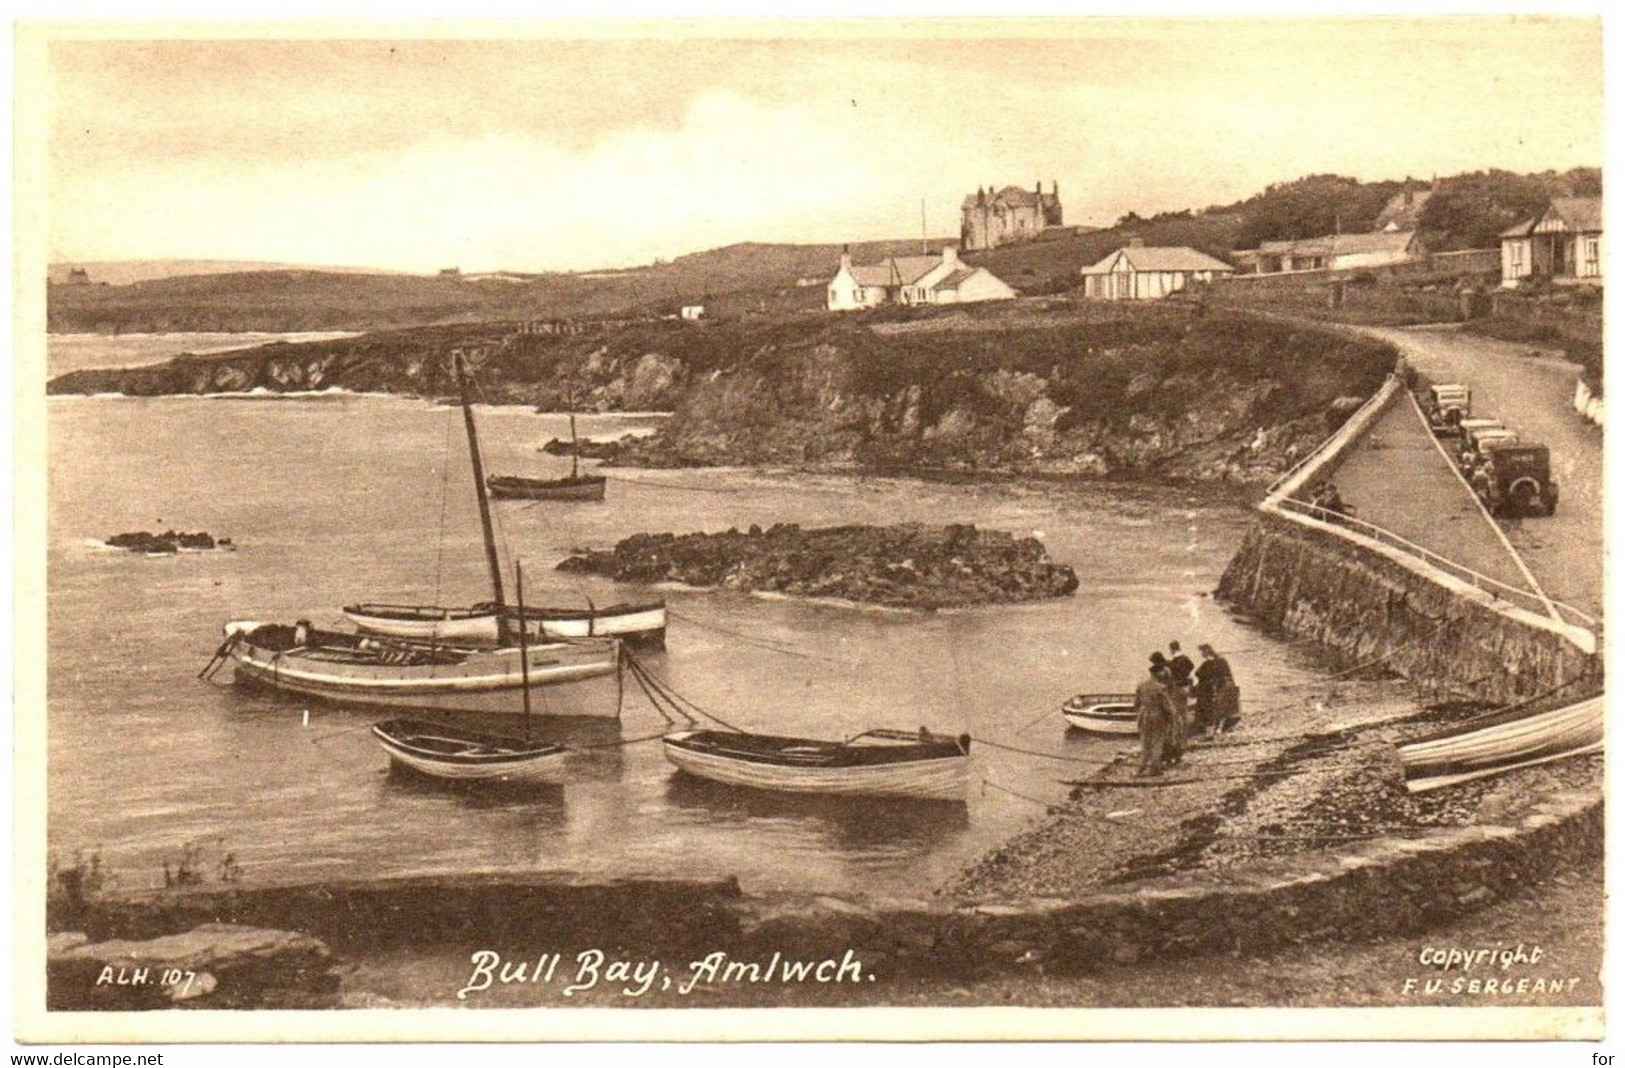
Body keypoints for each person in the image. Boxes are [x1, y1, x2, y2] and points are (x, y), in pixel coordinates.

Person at [1134, 658, 1175, 777]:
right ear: (1158, 673)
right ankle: (1155, 769)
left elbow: (1136, 703)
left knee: (1145, 742)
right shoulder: (1160, 687)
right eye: (1162, 671)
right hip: (1157, 715)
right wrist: (1172, 716)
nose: (1164, 673)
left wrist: (1141, 711)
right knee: (1157, 742)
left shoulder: (1141, 685)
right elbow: (1167, 705)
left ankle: (1141, 768)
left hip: (1144, 715)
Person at [1195, 643, 1241, 734]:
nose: (1201, 654)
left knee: (1220, 705)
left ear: (1207, 651)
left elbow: (1204, 674)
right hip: (1223, 684)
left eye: (1202, 652)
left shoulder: (1214, 662)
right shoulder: (1220, 660)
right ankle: (1219, 725)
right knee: (1220, 705)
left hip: (1222, 685)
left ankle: (1218, 726)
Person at [1165, 641, 1194, 761]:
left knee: (1176, 716)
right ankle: (1184, 741)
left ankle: (1178, 742)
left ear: (1172, 649)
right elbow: (1191, 666)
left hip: (1177, 689)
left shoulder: (1173, 662)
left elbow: (1171, 674)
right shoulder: (1185, 658)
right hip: (1185, 688)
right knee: (1184, 714)